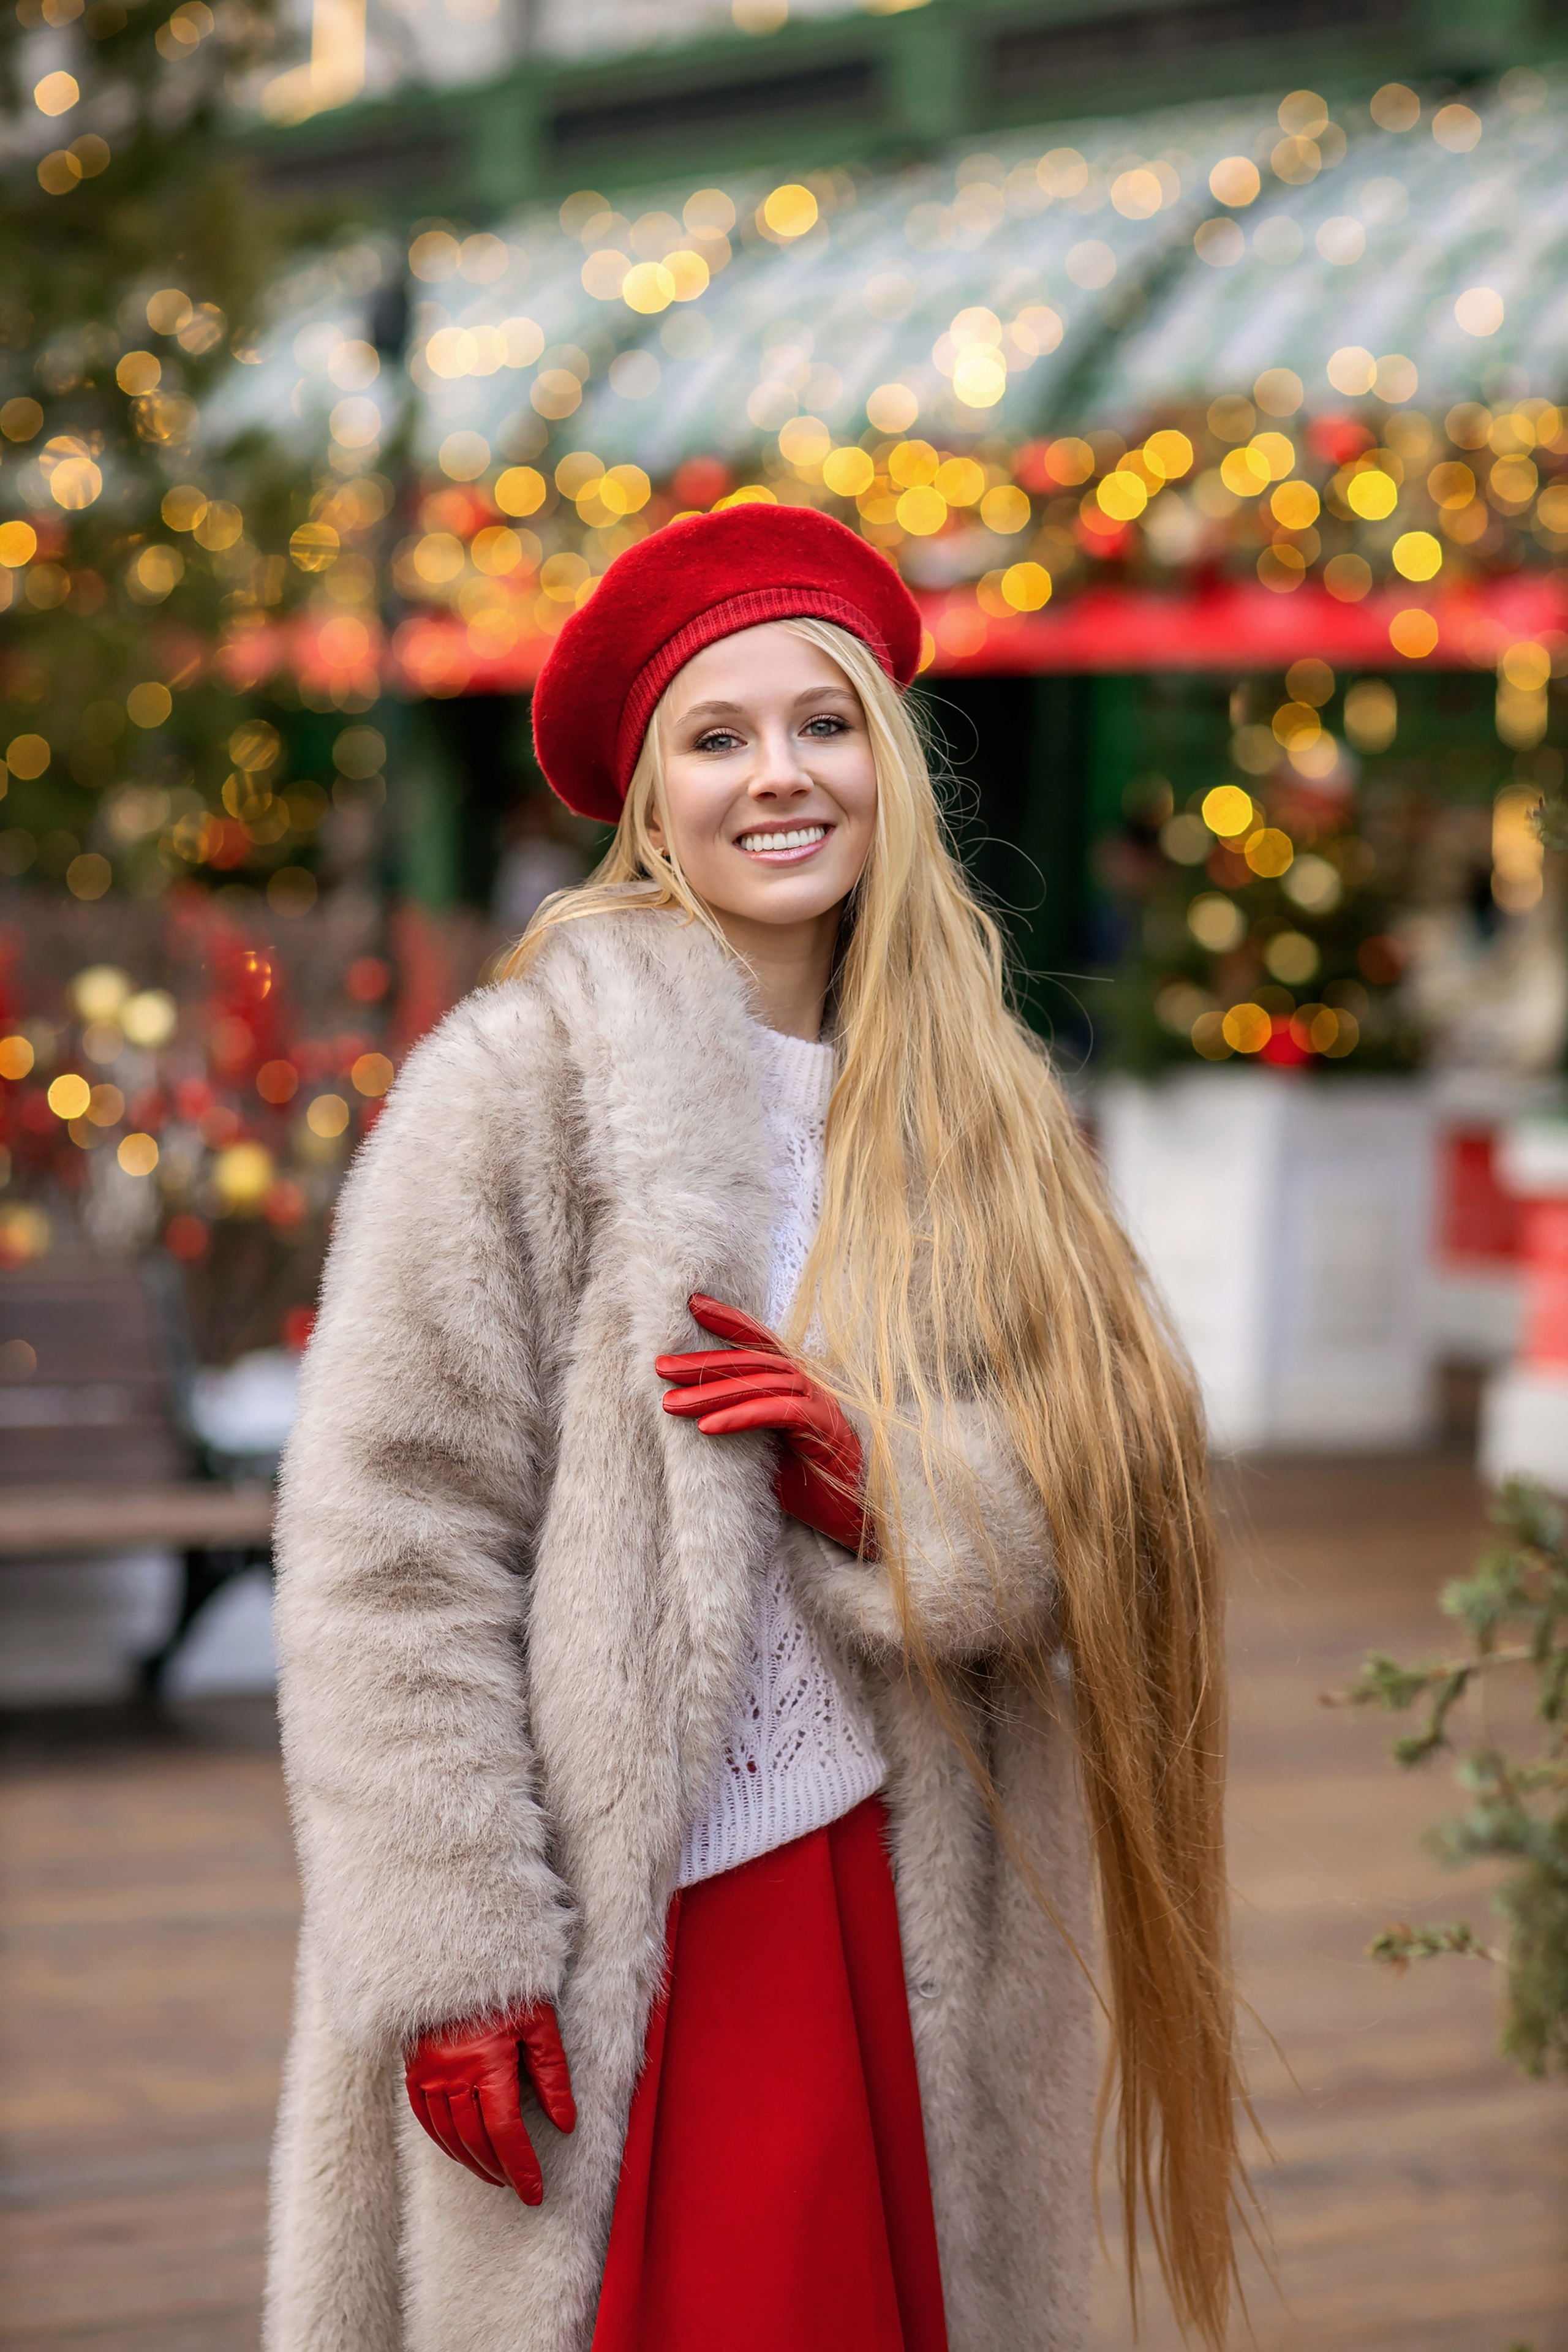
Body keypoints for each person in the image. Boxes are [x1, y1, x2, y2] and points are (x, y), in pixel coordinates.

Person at [264, 505, 1243, 2352]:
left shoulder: (985, 1111)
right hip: (616, 1910)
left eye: (824, 723)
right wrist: (457, 1944)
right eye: (720, 738)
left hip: (893, 1882)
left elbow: (1119, 1479)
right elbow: (390, 1543)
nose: (777, 777)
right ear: (648, 799)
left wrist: (896, 1487)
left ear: (890, 759)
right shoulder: (518, 1091)